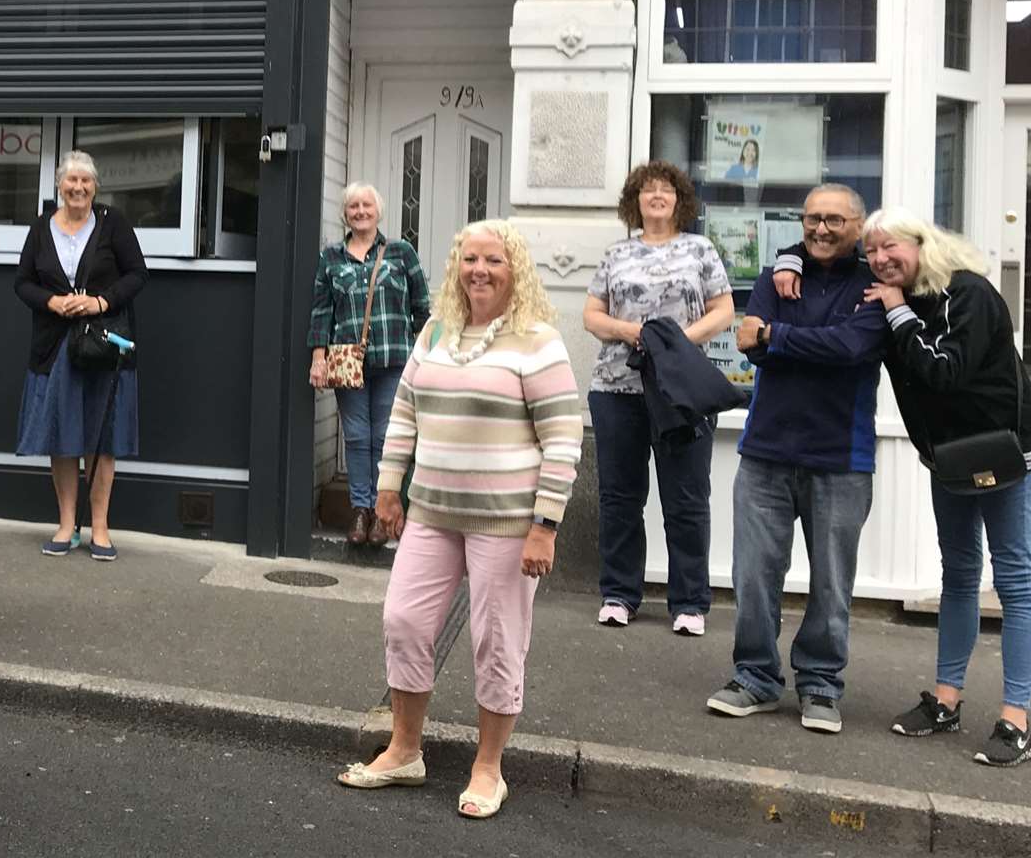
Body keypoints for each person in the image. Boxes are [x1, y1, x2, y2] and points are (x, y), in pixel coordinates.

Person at [337, 220, 582, 820]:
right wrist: (389, 488)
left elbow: (563, 438)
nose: (480, 270)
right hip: (433, 513)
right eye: (470, 258)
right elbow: (404, 411)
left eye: (494, 260)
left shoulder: (537, 340)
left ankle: (488, 767)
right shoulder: (437, 331)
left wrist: (544, 525)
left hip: (506, 521)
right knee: (404, 620)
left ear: (514, 268)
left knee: (497, 642)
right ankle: (405, 750)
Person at [856, 209, 1031, 767]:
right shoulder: (898, 298)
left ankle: (1016, 722)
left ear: (922, 243)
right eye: (872, 253)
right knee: (958, 575)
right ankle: (946, 699)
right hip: (950, 459)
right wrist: (792, 260)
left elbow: (943, 370)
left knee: (1013, 575)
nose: (882, 260)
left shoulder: (968, 294)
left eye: (891, 248)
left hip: (1004, 452)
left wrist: (894, 311)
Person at [705, 184, 885, 735]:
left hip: (841, 456)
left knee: (832, 583)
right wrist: (794, 340)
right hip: (766, 451)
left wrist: (780, 333)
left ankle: (822, 685)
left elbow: (853, 349)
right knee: (754, 574)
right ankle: (756, 678)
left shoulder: (877, 286)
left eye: (833, 219)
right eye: (811, 219)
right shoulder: (773, 275)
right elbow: (747, 342)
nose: (820, 229)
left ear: (858, 225)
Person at [583, 161, 734, 635]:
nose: (656, 196)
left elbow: (724, 309)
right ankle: (619, 594)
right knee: (620, 497)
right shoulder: (616, 253)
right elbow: (592, 314)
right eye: (647, 190)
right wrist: (631, 332)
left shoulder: (700, 249)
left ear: (679, 199)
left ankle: (689, 602)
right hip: (617, 388)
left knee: (686, 499)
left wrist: (677, 344)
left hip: (680, 391)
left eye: (665, 189)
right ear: (636, 201)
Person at [14, 150, 149, 560]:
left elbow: (137, 274)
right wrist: (52, 302)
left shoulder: (113, 224)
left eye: (85, 181)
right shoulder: (41, 228)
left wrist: (100, 303)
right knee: (62, 437)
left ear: (95, 186)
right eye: (71, 181)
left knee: (102, 439)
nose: (78, 188)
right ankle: (67, 524)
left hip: (104, 346)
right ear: (59, 185)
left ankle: (101, 528)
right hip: (55, 346)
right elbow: (22, 283)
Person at [307, 183, 431, 545]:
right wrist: (318, 356)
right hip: (349, 364)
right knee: (358, 437)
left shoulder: (401, 253)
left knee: (386, 437)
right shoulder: (331, 257)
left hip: (394, 359)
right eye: (353, 206)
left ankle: (382, 511)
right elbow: (321, 311)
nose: (360, 211)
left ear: (378, 211)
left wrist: (428, 359)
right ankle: (360, 511)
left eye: (367, 205)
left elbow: (422, 309)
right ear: (345, 214)